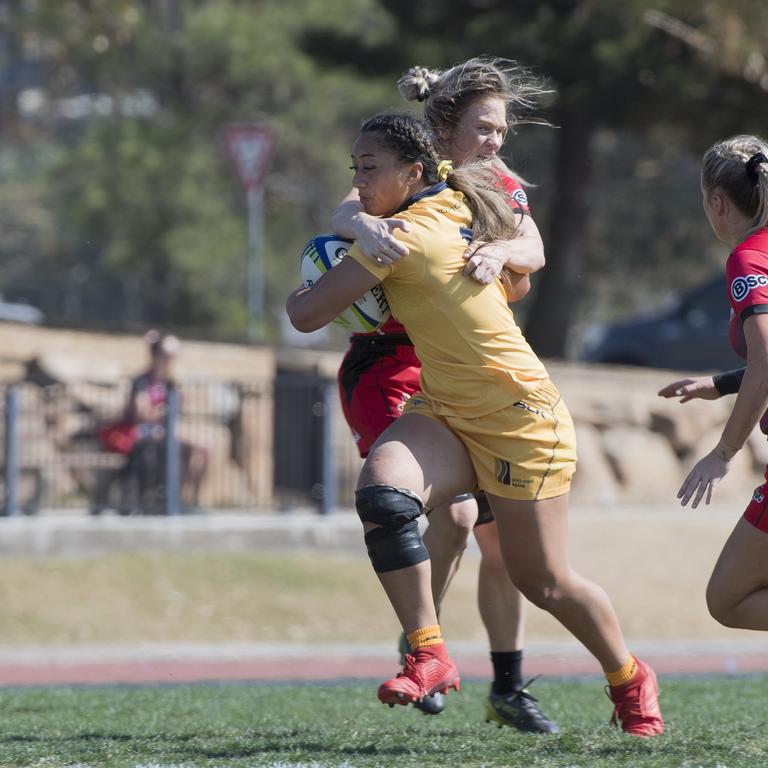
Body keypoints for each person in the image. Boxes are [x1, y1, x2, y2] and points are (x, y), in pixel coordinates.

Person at [287, 111, 664, 737]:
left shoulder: (400, 237)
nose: (358, 181)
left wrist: (329, 265)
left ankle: (629, 677)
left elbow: (304, 315)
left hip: (520, 418)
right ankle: (429, 652)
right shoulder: (432, 208)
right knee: (383, 495)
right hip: (445, 408)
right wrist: (356, 218)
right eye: (354, 168)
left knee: (543, 581)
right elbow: (359, 213)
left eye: (369, 169)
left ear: (414, 172)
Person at [330, 58, 555, 733]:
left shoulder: (499, 185)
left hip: (474, 376)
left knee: (503, 542)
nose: (495, 143)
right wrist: (360, 228)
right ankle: (424, 644)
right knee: (452, 520)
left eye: (500, 131)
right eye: (483, 130)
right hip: (395, 368)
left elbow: (534, 247)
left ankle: (508, 686)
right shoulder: (406, 179)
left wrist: (504, 254)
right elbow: (345, 209)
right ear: (441, 129)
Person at [658, 135, 768, 632]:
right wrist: (722, 384)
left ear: (718, 202)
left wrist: (722, 453)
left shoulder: (748, 259)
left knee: (728, 599)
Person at [125, 330, 209, 510]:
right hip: (147, 431)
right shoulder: (142, 381)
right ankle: (177, 499)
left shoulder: (171, 382)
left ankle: (188, 498)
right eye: (167, 356)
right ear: (156, 355)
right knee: (195, 445)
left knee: (202, 449)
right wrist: (164, 411)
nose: (170, 360)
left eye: (173, 356)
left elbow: (180, 408)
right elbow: (141, 413)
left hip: (167, 429)